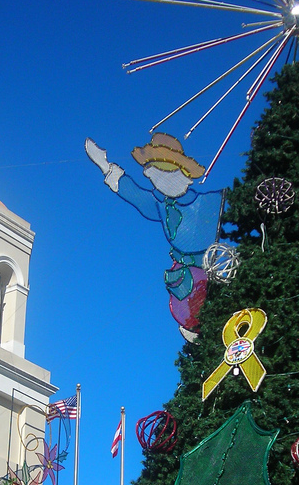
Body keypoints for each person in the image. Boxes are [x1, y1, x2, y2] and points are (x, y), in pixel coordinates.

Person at [86, 134, 224, 340]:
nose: (158, 182)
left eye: (164, 173)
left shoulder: (210, 202)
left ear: (183, 173)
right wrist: (105, 166)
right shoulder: (162, 206)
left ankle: (207, 328)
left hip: (208, 273)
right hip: (183, 279)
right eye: (153, 176)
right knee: (188, 309)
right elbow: (134, 193)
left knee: (208, 304)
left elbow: (237, 204)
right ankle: (195, 329)